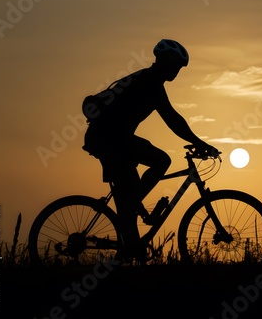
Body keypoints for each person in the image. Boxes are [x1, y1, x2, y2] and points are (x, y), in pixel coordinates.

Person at [82, 39, 218, 262]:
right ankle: (132, 209)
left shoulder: (149, 80)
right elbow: (172, 119)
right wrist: (200, 143)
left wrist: (198, 141)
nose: (177, 71)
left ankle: (131, 250)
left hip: (114, 140)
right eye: (176, 65)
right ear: (165, 61)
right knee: (161, 161)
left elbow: (173, 118)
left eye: (179, 68)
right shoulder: (150, 82)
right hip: (109, 140)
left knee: (131, 200)